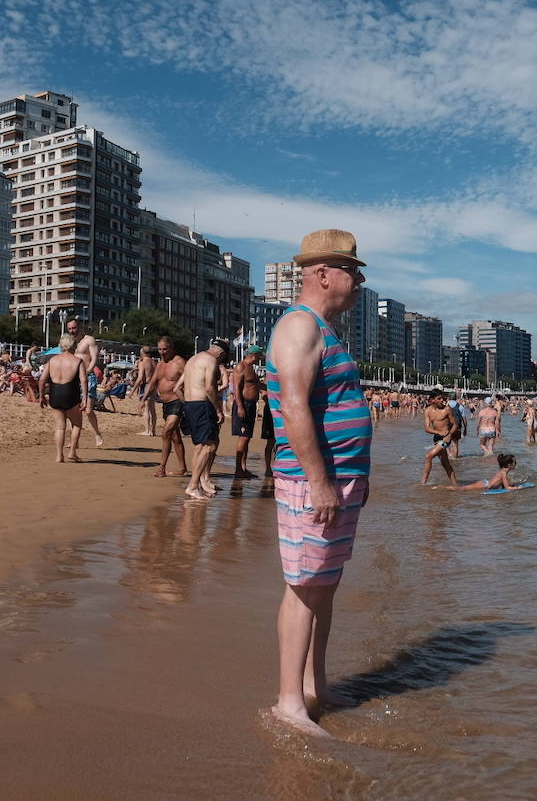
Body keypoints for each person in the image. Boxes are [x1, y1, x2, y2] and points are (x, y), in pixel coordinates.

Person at [266, 228, 373, 737]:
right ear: (323, 274)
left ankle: (315, 685)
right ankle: (289, 703)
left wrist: (355, 477)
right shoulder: (298, 326)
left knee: (324, 587)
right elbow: (292, 408)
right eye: (353, 271)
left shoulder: (324, 330)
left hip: (339, 480)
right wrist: (320, 483)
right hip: (313, 483)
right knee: (305, 588)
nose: (359, 282)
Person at [181, 338, 232, 499]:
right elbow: (210, 388)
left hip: (190, 405)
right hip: (202, 404)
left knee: (200, 446)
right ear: (221, 353)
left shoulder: (192, 359)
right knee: (209, 446)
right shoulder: (211, 360)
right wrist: (218, 410)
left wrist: (187, 404)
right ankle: (193, 486)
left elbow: (178, 387)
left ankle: (197, 484)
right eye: (223, 358)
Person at [39, 332, 87, 463]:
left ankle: (59, 456)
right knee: (77, 424)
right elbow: (83, 380)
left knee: (60, 427)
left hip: (55, 394)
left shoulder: (52, 360)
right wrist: (85, 398)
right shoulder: (78, 361)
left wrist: (42, 396)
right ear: (73, 345)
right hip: (71, 394)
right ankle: (72, 452)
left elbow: (42, 379)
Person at [153, 335, 189, 478]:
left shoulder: (179, 362)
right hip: (165, 403)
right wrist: (143, 399)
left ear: (171, 348)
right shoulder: (160, 364)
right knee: (175, 436)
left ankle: (162, 468)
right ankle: (183, 469)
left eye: (164, 349)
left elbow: (191, 377)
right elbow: (153, 381)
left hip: (177, 401)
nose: (162, 352)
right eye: (159, 349)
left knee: (166, 432)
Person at [64, 319, 104, 447]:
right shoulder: (69, 342)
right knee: (74, 411)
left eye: (74, 328)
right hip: (74, 378)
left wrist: (88, 371)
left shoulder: (89, 340)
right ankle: (74, 441)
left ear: (79, 327)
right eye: (69, 329)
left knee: (88, 410)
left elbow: (94, 358)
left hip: (88, 376)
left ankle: (97, 433)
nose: (72, 331)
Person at [230, 344, 266, 479]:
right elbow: (236, 388)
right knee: (243, 437)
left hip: (250, 405)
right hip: (243, 404)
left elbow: (256, 385)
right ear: (254, 355)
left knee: (247, 437)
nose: (260, 359)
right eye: (259, 356)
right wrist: (240, 406)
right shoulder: (241, 367)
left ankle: (243, 468)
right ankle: (238, 469)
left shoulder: (251, 368)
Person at [421, 389, 458, 485]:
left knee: (428, 456)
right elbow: (427, 428)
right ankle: (456, 485)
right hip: (437, 438)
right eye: (439, 398)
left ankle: (422, 484)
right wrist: (438, 432)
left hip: (446, 438)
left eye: (442, 398)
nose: (442, 400)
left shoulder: (447, 409)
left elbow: (455, 424)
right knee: (445, 464)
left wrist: (449, 435)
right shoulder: (427, 411)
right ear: (432, 400)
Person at [450, 453, 521, 491]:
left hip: (484, 483)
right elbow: (507, 487)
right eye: (515, 462)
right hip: (484, 485)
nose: (516, 464)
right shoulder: (504, 473)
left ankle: (448, 488)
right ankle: (445, 488)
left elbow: (504, 484)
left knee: (462, 488)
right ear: (509, 465)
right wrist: (518, 488)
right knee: (461, 489)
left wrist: (513, 485)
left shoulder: (503, 471)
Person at [134, 345, 158, 436]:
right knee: (152, 410)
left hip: (146, 386)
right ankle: (153, 430)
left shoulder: (143, 362)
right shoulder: (154, 362)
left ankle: (147, 430)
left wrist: (133, 390)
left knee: (146, 410)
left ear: (142, 353)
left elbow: (140, 378)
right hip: (153, 386)